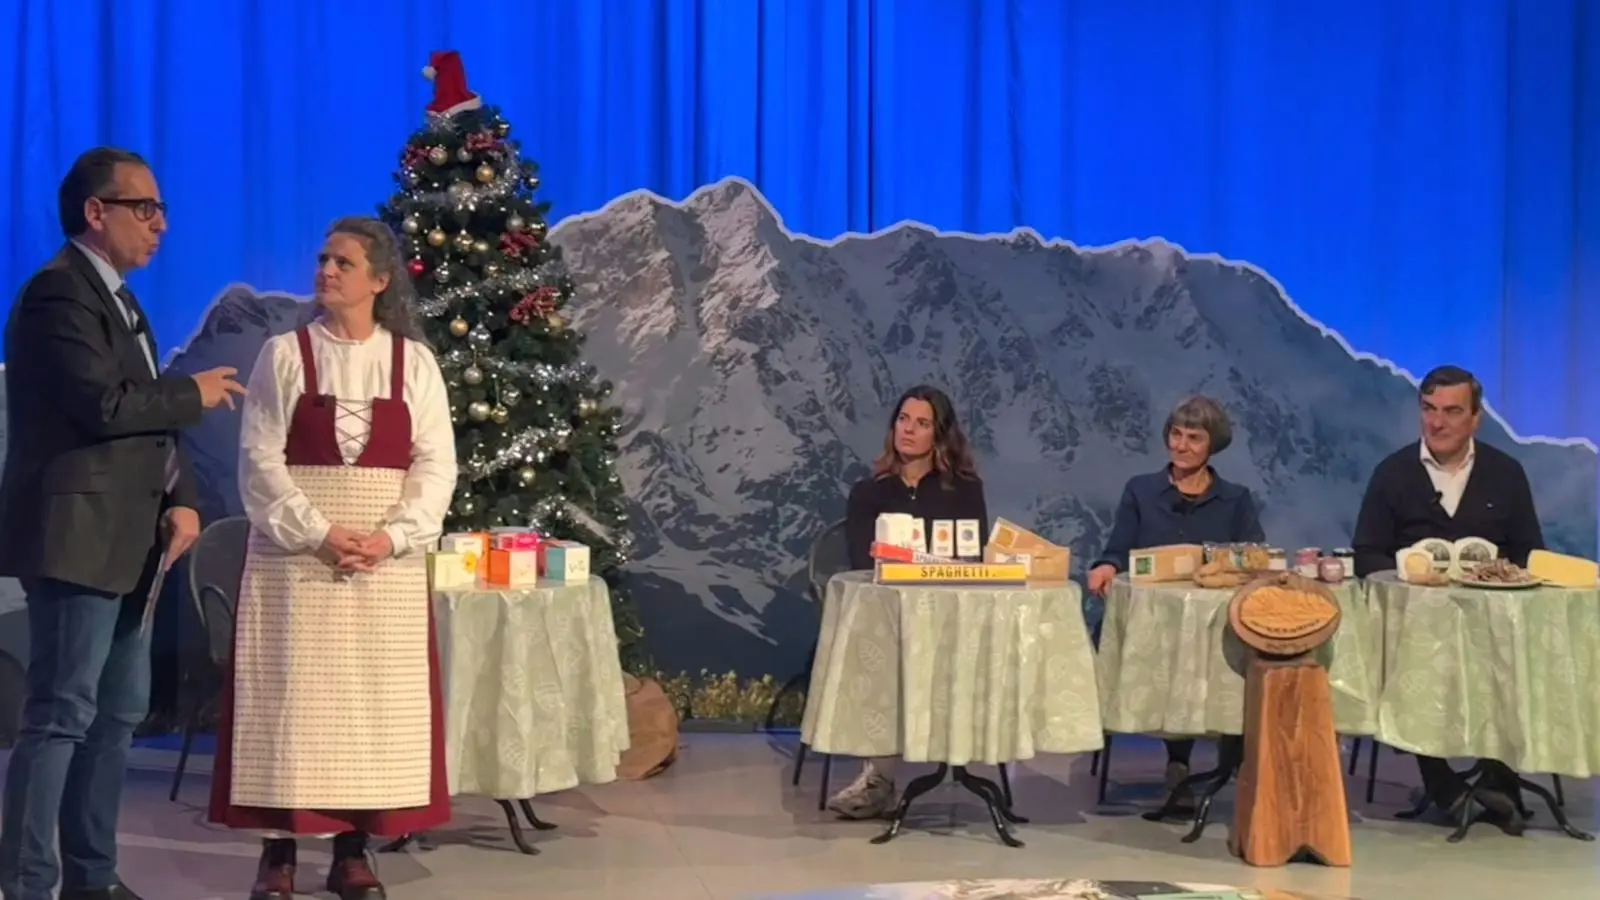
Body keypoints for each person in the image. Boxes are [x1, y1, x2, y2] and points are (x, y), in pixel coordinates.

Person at [0, 147, 245, 900]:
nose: (161, 224)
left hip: (134, 543)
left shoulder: (122, 300)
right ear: (94, 213)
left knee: (116, 718)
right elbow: (104, 407)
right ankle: (30, 884)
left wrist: (184, 498)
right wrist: (190, 392)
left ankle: (93, 879)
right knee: (61, 716)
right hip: (76, 542)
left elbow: (147, 429)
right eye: (145, 208)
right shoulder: (57, 295)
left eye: (163, 210)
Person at [207, 217, 457, 900]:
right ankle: (279, 853)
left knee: (370, 708)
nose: (325, 271)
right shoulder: (284, 355)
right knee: (291, 700)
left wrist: (392, 537)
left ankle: (353, 848)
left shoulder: (415, 364)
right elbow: (259, 462)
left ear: (379, 280)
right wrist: (318, 531)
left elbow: (436, 466)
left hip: (383, 565)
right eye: (322, 259)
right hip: (296, 559)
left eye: (342, 262)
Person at [1352, 364, 1543, 833]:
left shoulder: (1506, 473)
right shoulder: (1393, 473)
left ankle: (1500, 777)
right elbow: (1366, 553)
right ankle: (1442, 784)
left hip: (1494, 625)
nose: (1436, 423)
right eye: (1429, 410)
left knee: (1520, 655)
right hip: (1415, 626)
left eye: (1452, 412)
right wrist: (1410, 577)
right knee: (1410, 661)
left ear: (1476, 418)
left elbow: (1529, 553)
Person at [1085, 395, 1264, 808]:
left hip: (1215, 620)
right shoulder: (1141, 490)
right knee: (1173, 649)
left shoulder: (1236, 499)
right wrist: (1106, 567)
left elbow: (1254, 556)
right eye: (1175, 434)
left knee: (1239, 647)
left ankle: (1233, 756)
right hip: (1157, 622)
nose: (1180, 445)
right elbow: (1117, 549)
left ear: (1212, 445)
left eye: (1193, 438)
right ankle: (1178, 765)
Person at [829, 385, 988, 819]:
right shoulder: (870, 491)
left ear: (939, 435)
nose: (909, 430)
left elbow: (970, 556)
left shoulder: (965, 491)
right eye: (903, 420)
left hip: (947, 615)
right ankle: (878, 777)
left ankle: (959, 758)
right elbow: (865, 560)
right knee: (877, 650)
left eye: (921, 423)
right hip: (889, 613)